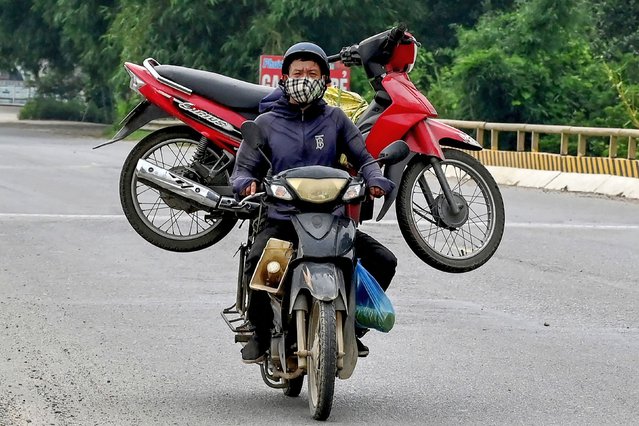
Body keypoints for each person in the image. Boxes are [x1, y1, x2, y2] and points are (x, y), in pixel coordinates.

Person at [231, 41, 397, 363]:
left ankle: (354, 327)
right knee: (262, 269)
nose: (304, 78)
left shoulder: (336, 120)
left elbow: (364, 158)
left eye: (312, 73)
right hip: (283, 221)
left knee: (383, 261)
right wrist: (245, 183)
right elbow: (243, 169)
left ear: (324, 81)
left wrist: (375, 179)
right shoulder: (266, 123)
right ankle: (262, 335)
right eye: (298, 72)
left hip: (333, 222)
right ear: (284, 79)